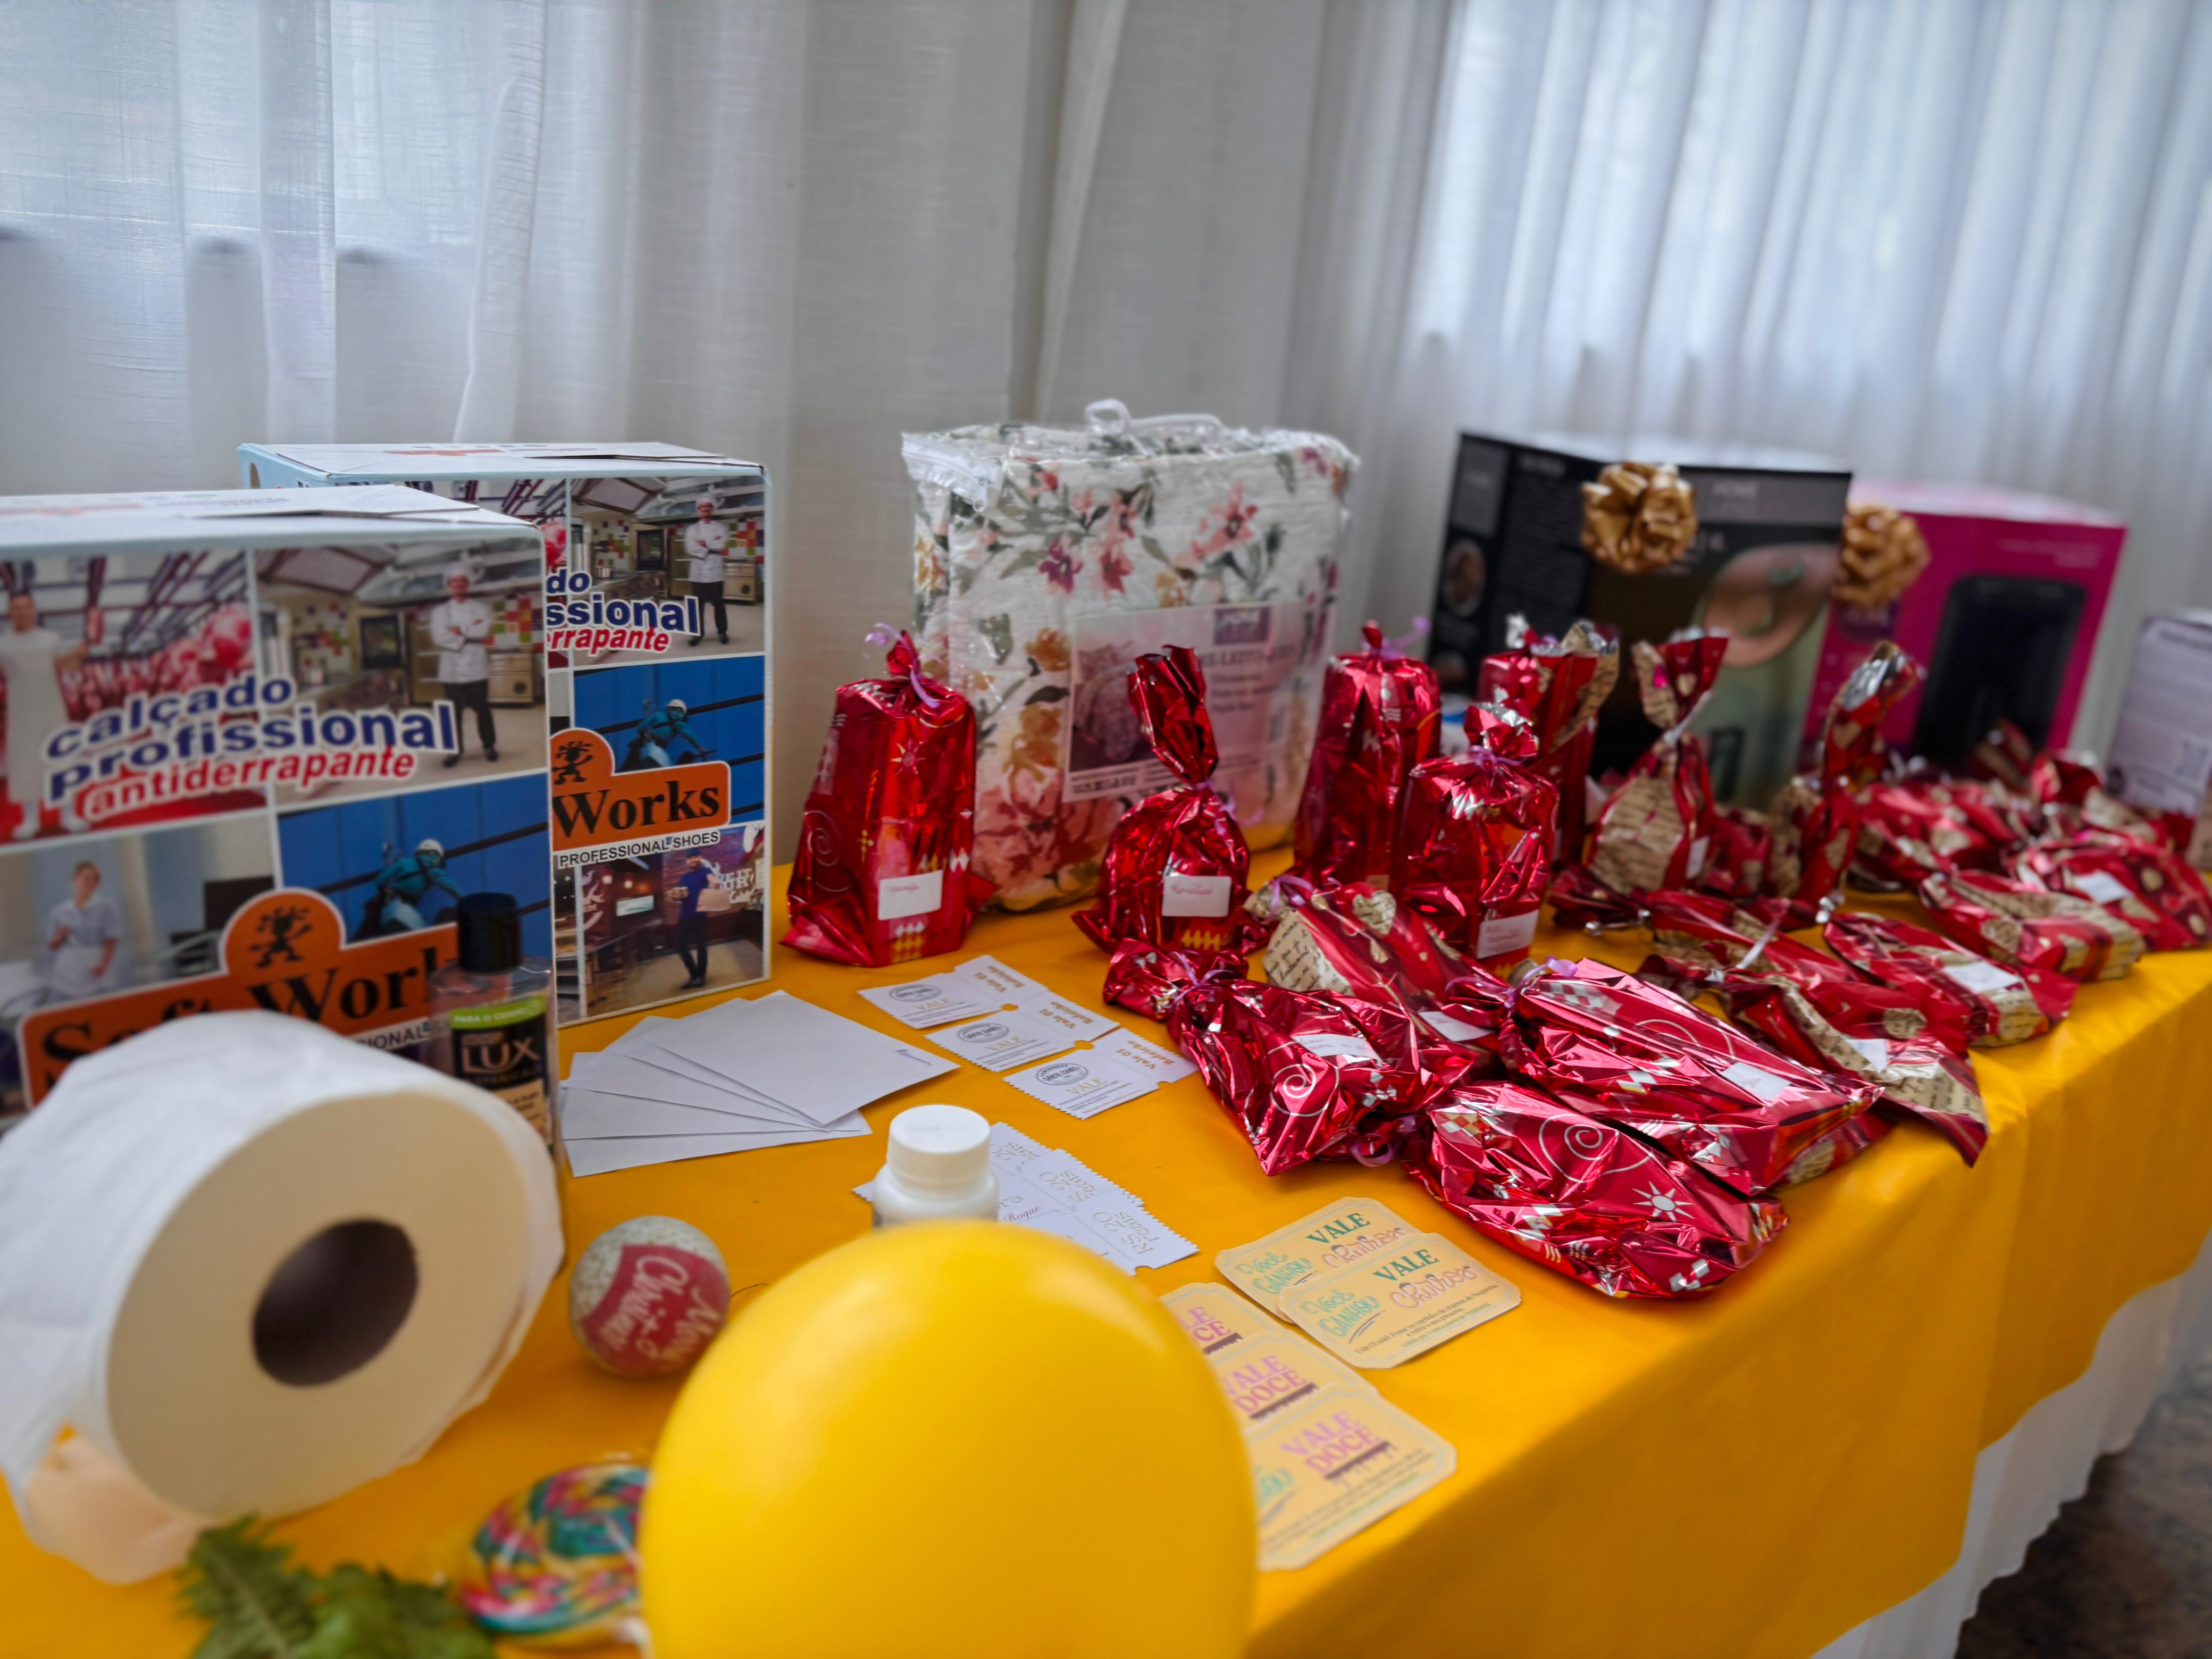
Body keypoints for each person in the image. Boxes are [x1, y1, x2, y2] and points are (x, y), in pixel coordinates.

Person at [0, 591, 91, 839]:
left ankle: (68, 816)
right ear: (10, 612)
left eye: (26, 607)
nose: (22, 612)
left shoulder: (50, 639)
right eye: (16, 608)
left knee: (61, 759)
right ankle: (30, 821)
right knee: (25, 765)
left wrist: (78, 655)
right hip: (20, 713)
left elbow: (67, 666)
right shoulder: (3, 643)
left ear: (34, 610)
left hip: (51, 709)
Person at [429, 565, 497, 768]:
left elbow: (484, 631)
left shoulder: (480, 608)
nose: (459, 584)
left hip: (476, 667)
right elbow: (439, 637)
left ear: (468, 584)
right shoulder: (440, 612)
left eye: (463, 581)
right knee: (452, 713)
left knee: (482, 709)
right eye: (455, 581)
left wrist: (460, 630)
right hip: (451, 670)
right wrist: (469, 632)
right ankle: (454, 751)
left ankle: (489, 745)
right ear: (449, 585)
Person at [45, 860, 122, 1000]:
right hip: (67, 972)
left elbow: (111, 939)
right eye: (86, 878)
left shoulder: (106, 908)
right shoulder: (60, 911)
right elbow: (52, 945)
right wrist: (60, 936)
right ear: (74, 880)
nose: (90, 883)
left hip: (96, 967)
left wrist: (103, 965)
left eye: (95, 879)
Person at [373, 838, 465, 933]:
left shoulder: (403, 862)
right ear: (438, 856)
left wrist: (384, 892)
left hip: (390, 904)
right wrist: (466, 902)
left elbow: (380, 880)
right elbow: (451, 887)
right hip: (406, 910)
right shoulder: (434, 871)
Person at [683, 497, 730, 648]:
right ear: (699, 510)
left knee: (719, 603)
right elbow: (690, 548)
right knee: (697, 605)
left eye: (709, 507)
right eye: (703, 507)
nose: (706, 509)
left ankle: (722, 631)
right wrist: (712, 545)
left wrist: (705, 544)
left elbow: (722, 545)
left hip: (715, 571)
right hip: (697, 572)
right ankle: (697, 634)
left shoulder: (721, 528)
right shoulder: (692, 529)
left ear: (713, 510)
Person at [674, 854, 713, 988]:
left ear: (700, 858)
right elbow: (682, 897)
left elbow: (713, 881)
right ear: (687, 861)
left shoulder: (706, 871)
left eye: (695, 857)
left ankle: (701, 977)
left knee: (701, 946)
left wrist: (713, 886)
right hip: (684, 916)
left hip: (700, 914)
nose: (693, 860)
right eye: (690, 858)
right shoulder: (684, 878)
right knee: (681, 946)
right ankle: (694, 975)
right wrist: (674, 897)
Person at [634, 698, 707, 769]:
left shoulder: (658, 715)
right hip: (657, 751)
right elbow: (690, 735)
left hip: (647, 747)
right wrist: (700, 748)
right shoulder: (679, 723)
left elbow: (641, 726)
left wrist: (644, 735)